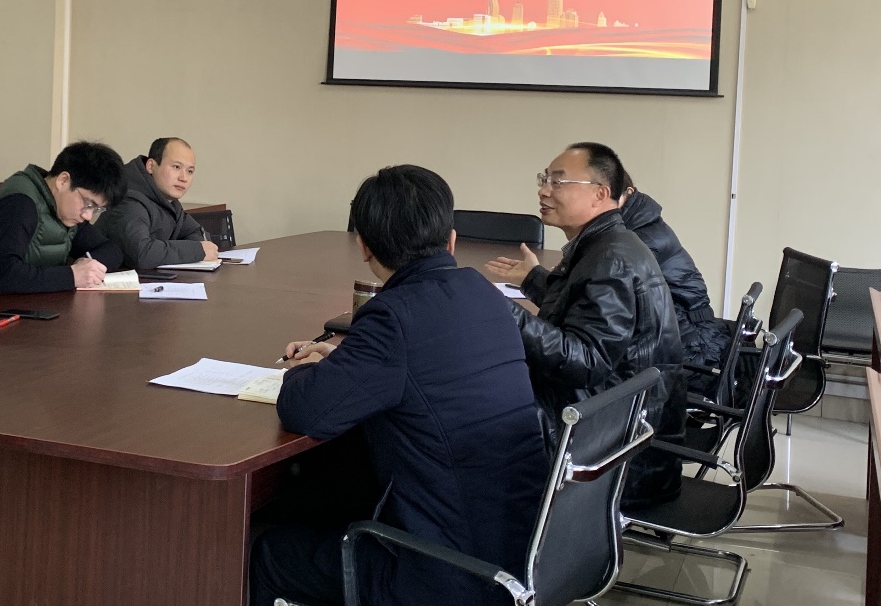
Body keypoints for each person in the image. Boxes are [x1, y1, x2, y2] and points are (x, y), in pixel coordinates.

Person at [252, 165, 547, 606]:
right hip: (521, 548)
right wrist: (347, 362)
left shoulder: (392, 315)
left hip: (447, 570)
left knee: (270, 553)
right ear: (451, 240)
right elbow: (426, 367)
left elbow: (304, 409)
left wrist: (303, 370)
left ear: (364, 247)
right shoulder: (484, 293)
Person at [486, 142, 686, 508]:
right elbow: (585, 307)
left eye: (558, 182)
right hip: (624, 431)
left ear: (600, 194)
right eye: (544, 179)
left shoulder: (611, 259)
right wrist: (533, 280)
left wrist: (502, 312)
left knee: (464, 410)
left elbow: (585, 361)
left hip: (613, 457)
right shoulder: (609, 245)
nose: (544, 190)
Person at [619, 175, 732, 396]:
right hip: (696, 335)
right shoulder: (642, 225)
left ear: (629, 192)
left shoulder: (641, 238)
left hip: (694, 349)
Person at [0, 141, 127, 293]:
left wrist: (87, 263)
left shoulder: (65, 210)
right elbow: (1, 274)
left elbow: (111, 250)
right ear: (63, 181)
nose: (88, 216)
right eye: (88, 204)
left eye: (96, 209)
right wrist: (72, 276)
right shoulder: (19, 204)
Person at [97, 137, 218, 269]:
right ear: (151, 166)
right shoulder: (128, 200)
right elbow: (141, 254)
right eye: (176, 167)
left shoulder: (169, 201)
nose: (183, 178)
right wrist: (196, 250)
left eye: (190, 171)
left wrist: (197, 248)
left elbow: (196, 232)